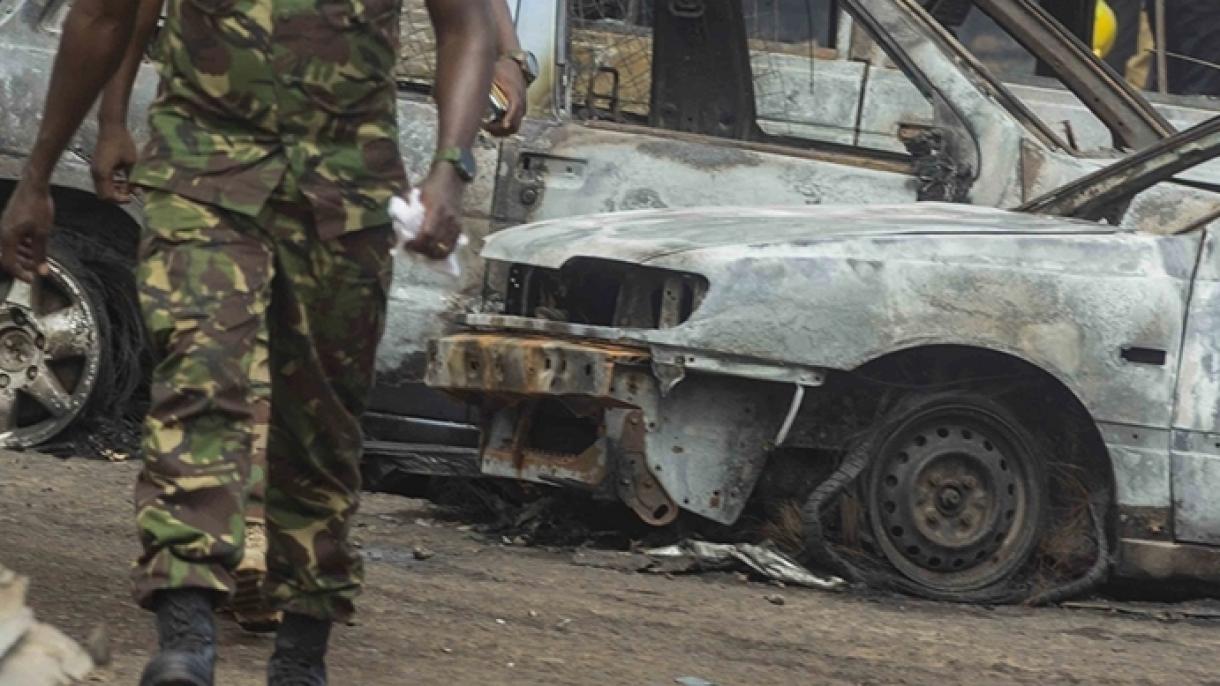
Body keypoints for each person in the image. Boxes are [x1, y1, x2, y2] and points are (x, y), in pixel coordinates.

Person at [0, 0, 496, 684]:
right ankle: (186, 633)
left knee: (320, 423)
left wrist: (451, 168)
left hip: (344, 196)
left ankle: (301, 653)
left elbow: (466, 24)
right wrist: (39, 175)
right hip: (202, 178)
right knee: (200, 381)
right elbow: (106, 14)